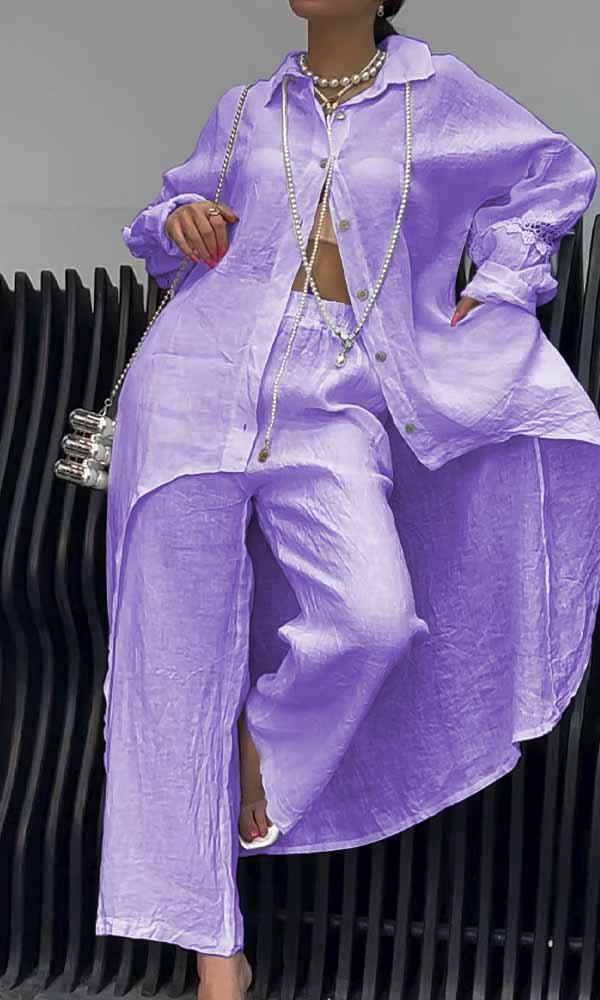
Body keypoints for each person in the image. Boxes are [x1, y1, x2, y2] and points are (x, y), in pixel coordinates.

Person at [95, 0, 600, 996]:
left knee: (370, 616)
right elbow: (168, 229)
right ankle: (215, 959)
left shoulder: (439, 95)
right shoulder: (248, 107)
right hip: (196, 381)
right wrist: (178, 222)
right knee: (170, 660)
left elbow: (554, 177)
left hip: (338, 393)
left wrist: (500, 286)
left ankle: (258, 747)